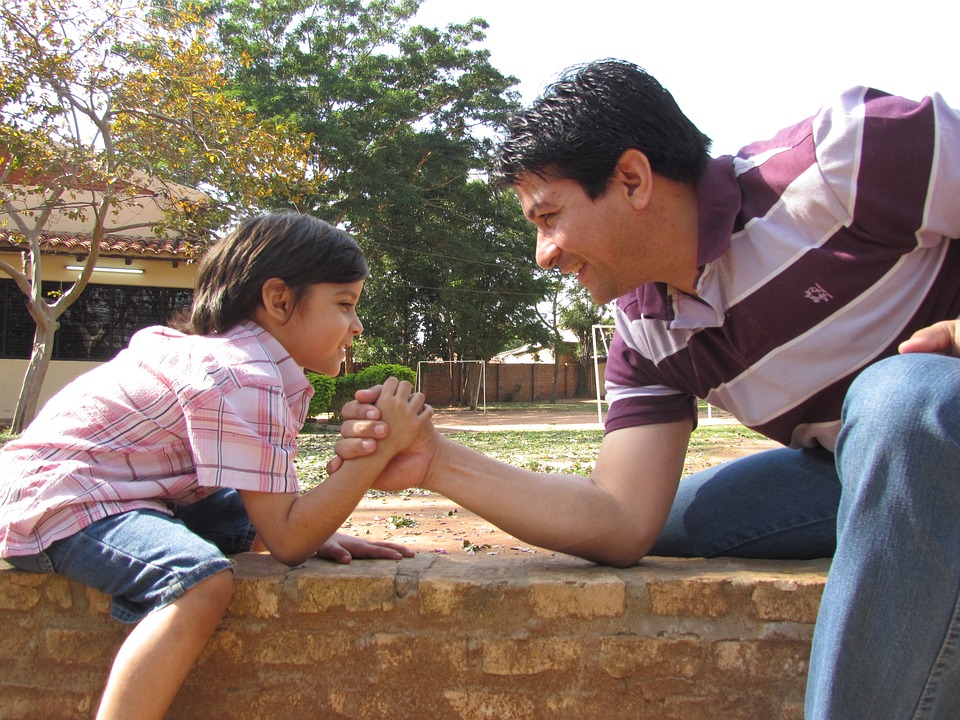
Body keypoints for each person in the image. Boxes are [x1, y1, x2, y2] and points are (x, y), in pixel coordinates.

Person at [331, 60, 960, 718]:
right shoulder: (645, 332)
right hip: (861, 466)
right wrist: (437, 460)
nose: (543, 253)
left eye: (549, 218)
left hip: (928, 422)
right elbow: (621, 519)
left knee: (901, 395)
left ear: (632, 179)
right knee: (674, 519)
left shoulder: (843, 160)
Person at [0, 212, 432, 720]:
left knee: (240, 513)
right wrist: (379, 450)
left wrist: (310, 527)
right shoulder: (249, 375)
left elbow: (279, 520)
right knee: (200, 582)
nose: (356, 325)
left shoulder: (236, 361)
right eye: (344, 305)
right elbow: (289, 541)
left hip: (118, 491)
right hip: (62, 500)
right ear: (278, 300)